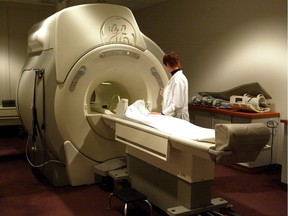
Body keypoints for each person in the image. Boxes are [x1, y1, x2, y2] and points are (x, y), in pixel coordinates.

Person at [154, 52, 190, 121]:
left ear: (167, 64)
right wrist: (164, 92)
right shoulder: (176, 78)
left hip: (178, 118)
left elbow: (177, 104)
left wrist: (162, 113)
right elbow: (175, 96)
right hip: (174, 116)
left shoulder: (178, 79)